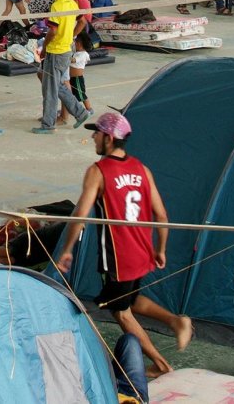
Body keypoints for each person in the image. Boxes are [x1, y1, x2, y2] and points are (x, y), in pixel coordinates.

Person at [56, 112, 193, 377]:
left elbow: (80, 215)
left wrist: (67, 249)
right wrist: (160, 248)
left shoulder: (98, 171)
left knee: (118, 311)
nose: (93, 136)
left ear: (108, 138)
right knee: (130, 299)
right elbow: (161, 214)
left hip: (119, 256)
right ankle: (176, 321)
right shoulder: (142, 169)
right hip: (142, 251)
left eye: (96, 133)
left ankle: (161, 364)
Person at [32, 0, 90, 134]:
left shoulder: (57, 6)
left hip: (56, 52)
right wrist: (71, 36)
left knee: (50, 89)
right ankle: (80, 112)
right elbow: (82, 21)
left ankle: (48, 125)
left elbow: (52, 32)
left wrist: (43, 49)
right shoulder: (72, 3)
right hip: (66, 50)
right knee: (56, 85)